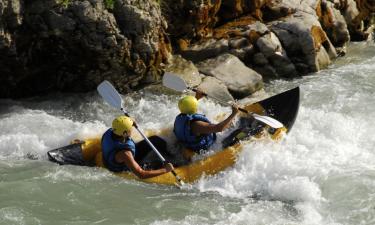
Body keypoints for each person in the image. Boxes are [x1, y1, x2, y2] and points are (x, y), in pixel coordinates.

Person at [101, 116, 174, 179]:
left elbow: (122, 123)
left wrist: (131, 122)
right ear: (124, 133)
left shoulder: (112, 131)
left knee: (156, 140)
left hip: (116, 155)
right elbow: (141, 174)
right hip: (125, 166)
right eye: (130, 128)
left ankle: (170, 154)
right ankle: (174, 164)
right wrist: (165, 170)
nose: (132, 129)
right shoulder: (125, 154)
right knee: (158, 163)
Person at [173, 91, 239, 154]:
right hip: (205, 150)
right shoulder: (196, 125)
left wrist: (196, 97)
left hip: (189, 143)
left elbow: (188, 106)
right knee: (236, 131)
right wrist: (234, 113)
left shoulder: (180, 118)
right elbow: (219, 128)